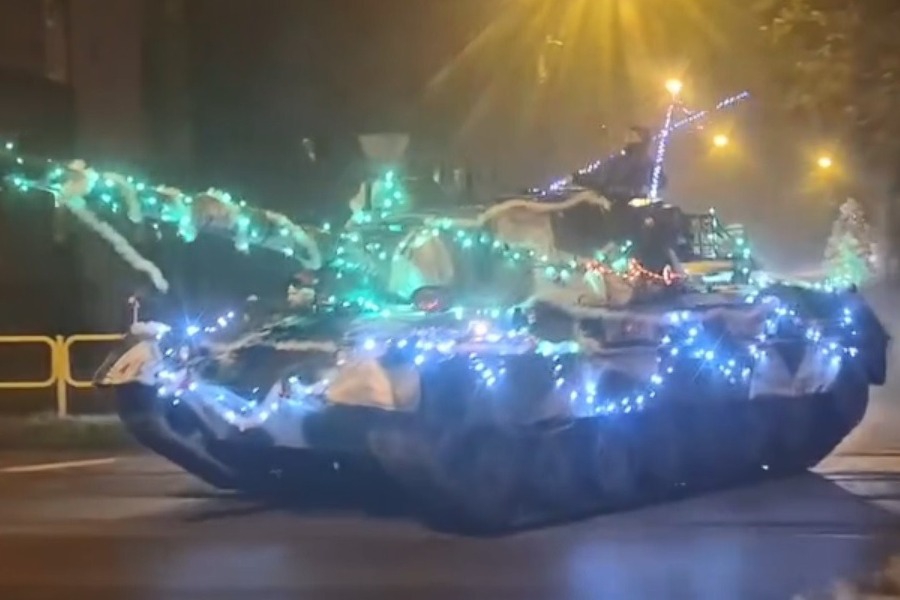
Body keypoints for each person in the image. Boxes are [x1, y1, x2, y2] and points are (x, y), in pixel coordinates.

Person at [573, 126, 666, 205]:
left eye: (631, 135)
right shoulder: (647, 162)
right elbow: (661, 182)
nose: (627, 137)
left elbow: (600, 178)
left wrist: (577, 178)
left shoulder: (622, 161)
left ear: (640, 139)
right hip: (629, 203)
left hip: (615, 202)